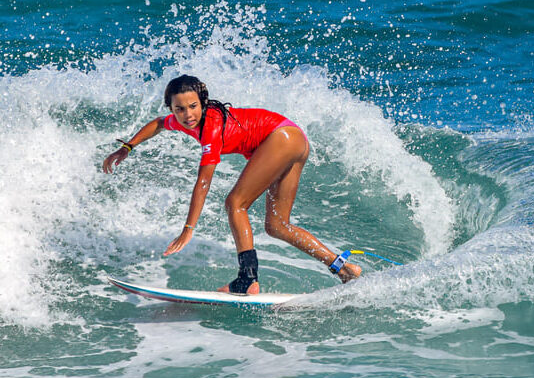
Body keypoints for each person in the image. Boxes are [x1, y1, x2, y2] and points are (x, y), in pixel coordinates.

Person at [102, 74, 362, 294]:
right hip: (293, 138)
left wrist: (188, 228)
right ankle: (345, 269)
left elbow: (203, 182)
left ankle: (248, 279)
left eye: (193, 106)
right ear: (171, 108)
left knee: (235, 203)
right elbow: (158, 124)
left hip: (281, 138)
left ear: (202, 103)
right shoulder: (180, 121)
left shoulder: (211, 127)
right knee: (277, 226)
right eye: (179, 109)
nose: (187, 115)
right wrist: (127, 147)